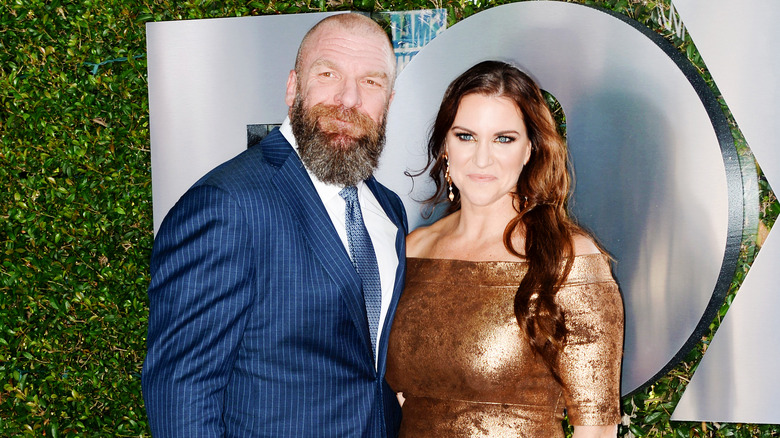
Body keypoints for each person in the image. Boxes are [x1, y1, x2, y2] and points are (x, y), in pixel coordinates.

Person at [143, 14, 407, 437]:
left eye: (371, 83)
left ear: (388, 103)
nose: (349, 98)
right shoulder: (227, 204)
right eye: (328, 74)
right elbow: (182, 387)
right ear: (292, 87)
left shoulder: (388, 208)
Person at [385, 61, 623, 437]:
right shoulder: (413, 251)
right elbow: (401, 399)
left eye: (503, 138)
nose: (482, 159)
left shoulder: (569, 260)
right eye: (465, 136)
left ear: (530, 149)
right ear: (445, 145)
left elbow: (596, 428)